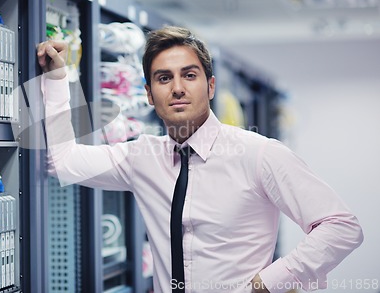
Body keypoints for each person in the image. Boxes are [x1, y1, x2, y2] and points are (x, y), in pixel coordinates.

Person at [37, 26, 363, 293]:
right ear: (149, 94)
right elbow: (61, 161)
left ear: (210, 86)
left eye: (189, 75)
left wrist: (270, 282)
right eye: (164, 78)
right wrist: (55, 79)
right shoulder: (141, 157)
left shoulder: (259, 153)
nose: (177, 88)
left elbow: (341, 227)